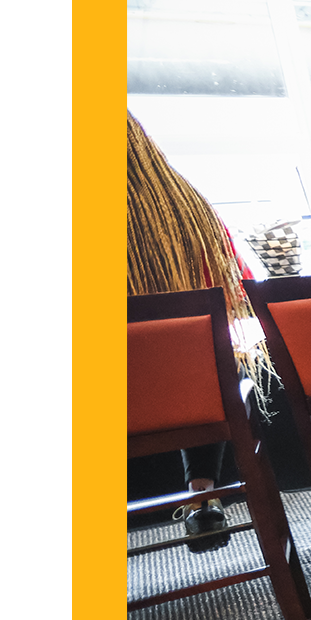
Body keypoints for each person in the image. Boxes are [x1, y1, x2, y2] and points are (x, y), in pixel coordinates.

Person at [127, 111, 266, 552]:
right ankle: (202, 493)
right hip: (191, 396)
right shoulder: (186, 208)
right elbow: (235, 294)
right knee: (203, 364)